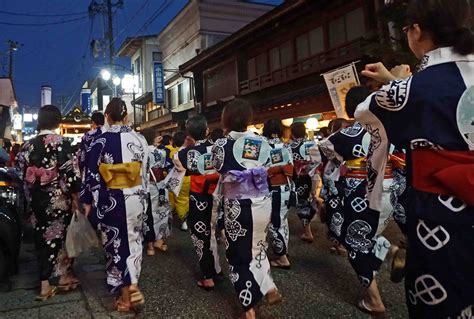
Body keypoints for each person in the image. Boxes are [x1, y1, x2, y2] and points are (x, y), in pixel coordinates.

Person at [355, 1, 474, 317]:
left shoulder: (410, 89)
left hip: (443, 216)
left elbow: (363, 111)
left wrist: (394, 80)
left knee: (442, 301)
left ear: (417, 30)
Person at [320, 87, 403, 316]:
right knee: (369, 235)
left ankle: (375, 300)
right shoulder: (391, 130)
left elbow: (326, 148)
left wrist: (344, 160)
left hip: (364, 190)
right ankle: (390, 251)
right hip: (390, 189)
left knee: (355, 240)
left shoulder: (348, 134)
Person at [212, 99, 280, 319]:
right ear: (249, 119)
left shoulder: (221, 145)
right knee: (258, 247)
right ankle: (268, 285)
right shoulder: (261, 141)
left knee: (238, 255)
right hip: (261, 201)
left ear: (226, 119)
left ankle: (249, 309)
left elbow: (218, 167)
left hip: (237, 204)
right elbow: (268, 165)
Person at [81, 98, 149, 312]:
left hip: (112, 199)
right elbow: (145, 172)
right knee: (134, 240)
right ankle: (133, 283)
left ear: (107, 117)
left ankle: (127, 293)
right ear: (126, 117)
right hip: (137, 195)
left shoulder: (99, 141)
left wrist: (88, 202)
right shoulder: (139, 139)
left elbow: (90, 176)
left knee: (117, 243)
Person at [16, 105, 81, 301]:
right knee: (61, 238)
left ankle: (44, 283)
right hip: (58, 199)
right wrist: (75, 195)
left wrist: (30, 195)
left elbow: (21, 173)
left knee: (42, 239)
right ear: (58, 122)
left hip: (37, 199)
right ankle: (62, 277)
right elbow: (69, 172)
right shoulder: (60, 142)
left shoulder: (27, 146)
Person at [174, 115, 222, 290]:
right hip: (219, 195)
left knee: (201, 236)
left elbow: (179, 166)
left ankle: (208, 276)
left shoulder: (185, 153)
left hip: (199, 198)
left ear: (188, 134)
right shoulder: (219, 148)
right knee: (213, 232)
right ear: (207, 130)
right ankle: (217, 268)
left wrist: (187, 145)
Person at [262, 119, 294, 269]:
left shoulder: (264, 146)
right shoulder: (286, 146)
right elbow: (291, 167)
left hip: (272, 188)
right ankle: (284, 251)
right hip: (287, 188)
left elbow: (261, 170)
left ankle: (282, 258)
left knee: (274, 223)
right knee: (283, 221)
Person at [141, 128, 173, 256]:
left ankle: (149, 245)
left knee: (147, 213)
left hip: (145, 185)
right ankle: (159, 240)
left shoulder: (141, 151)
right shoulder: (161, 152)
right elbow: (168, 163)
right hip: (159, 184)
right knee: (161, 212)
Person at [288, 122, 321, 243]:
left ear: (292, 133)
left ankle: (308, 232)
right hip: (313, 176)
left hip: (299, 178)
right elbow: (318, 162)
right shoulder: (312, 144)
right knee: (310, 201)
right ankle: (308, 228)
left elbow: (289, 164)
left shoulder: (290, 146)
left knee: (302, 204)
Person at [168, 131, 190, 231]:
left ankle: (182, 219)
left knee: (179, 199)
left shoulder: (173, 152)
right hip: (189, 178)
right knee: (186, 199)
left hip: (177, 179)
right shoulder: (189, 151)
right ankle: (186, 219)